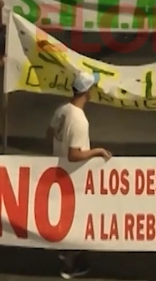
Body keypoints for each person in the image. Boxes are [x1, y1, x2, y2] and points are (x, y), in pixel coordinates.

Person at [47, 71, 111, 279]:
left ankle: (66, 254)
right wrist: (97, 151)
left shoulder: (62, 110)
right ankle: (70, 265)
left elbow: (49, 133)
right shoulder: (80, 120)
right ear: (86, 91)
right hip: (72, 178)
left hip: (58, 171)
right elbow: (75, 154)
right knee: (76, 220)